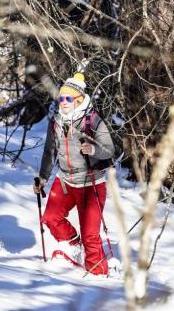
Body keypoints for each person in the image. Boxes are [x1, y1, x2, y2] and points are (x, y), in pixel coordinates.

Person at [34, 72, 114, 275]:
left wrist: (93, 150)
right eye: (61, 98)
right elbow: (49, 152)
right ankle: (72, 244)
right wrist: (42, 179)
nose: (64, 102)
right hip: (65, 181)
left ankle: (99, 278)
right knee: (50, 218)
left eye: (68, 98)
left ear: (79, 99)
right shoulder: (57, 121)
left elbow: (110, 149)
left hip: (91, 184)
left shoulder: (93, 121)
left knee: (91, 236)